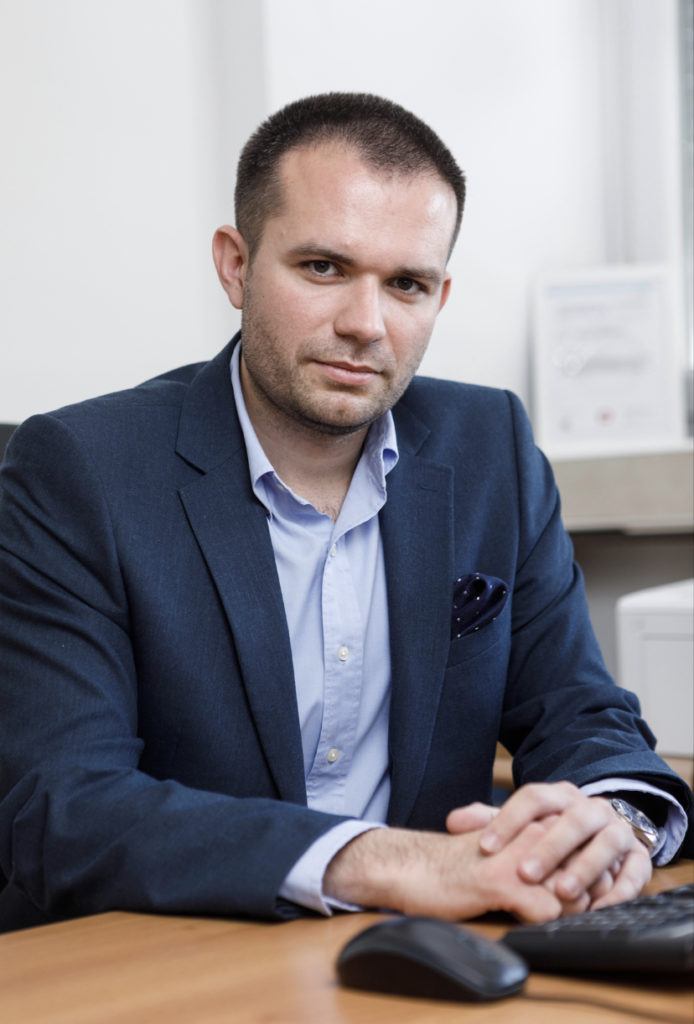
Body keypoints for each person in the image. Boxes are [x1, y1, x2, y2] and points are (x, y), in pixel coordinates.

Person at [0, 93, 690, 934]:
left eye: (407, 284)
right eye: (324, 268)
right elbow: (62, 805)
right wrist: (396, 863)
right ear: (235, 265)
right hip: (171, 950)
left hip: (420, 949)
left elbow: (576, 709)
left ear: (440, 296)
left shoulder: (490, 446)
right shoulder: (81, 469)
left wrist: (615, 824)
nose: (367, 325)